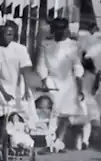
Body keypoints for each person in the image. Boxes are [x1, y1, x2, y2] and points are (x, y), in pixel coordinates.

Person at [0, 21, 32, 161]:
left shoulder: (20, 49)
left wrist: (26, 88)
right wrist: (3, 92)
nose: (9, 37)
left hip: (17, 87)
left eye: (12, 34)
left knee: (19, 120)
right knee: (1, 120)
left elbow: (25, 69)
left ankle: (18, 146)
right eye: (6, 34)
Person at [36, 17, 85, 150]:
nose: (60, 32)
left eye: (62, 29)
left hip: (68, 82)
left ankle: (59, 139)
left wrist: (79, 86)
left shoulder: (74, 46)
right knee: (52, 111)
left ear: (66, 30)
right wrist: (45, 79)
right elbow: (41, 65)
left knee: (66, 113)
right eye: (57, 29)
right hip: (52, 80)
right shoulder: (46, 45)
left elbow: (77, 66)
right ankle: (50, 138)